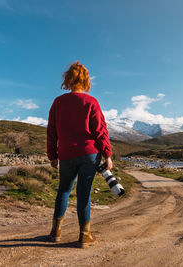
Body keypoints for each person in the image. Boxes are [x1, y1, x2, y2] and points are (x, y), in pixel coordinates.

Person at [46, 61, 112, 248]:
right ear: (86, 81)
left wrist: (53, 156)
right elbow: (100, 131)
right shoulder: (91, 102)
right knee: (84, 195)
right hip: (90, 154)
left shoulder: (58, 103)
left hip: (66, 154)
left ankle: (55, 232)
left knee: (64, 191)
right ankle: (84, 235)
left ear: (68, 80)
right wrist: (107, 155)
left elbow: (51, 131)